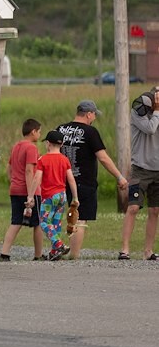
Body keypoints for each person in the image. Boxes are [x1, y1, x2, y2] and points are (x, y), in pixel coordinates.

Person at [56, 100, 129, 259]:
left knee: (66, 216)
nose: (94, 118)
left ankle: (57, 249)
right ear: (88, 114)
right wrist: (119, 176)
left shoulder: (61, 129)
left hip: (62, 180)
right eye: (94, 114)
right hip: (83, 182)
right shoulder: (90, 132)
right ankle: (74, 256)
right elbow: (103, 158)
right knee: (80, 219)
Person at [118, 87, 159, 260]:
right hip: (139, 169)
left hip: (157, 169)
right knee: (133, 207)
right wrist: (157, 110)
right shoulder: (138, 112)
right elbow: (150, 129)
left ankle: (148, 251)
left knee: (155, 210)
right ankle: (125, 249)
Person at [0, 118, 45, 261]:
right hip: (29, 190)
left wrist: (13, 182)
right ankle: (38, 254)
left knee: (16, 221)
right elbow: (29, 171)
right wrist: (31, 194)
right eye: (39, 132)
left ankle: (4, 253)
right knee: (38, 223)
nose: (40, 135)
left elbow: (9, 168)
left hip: (15, 189)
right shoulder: (31, 148)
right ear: (33, 132)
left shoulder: (16, 146)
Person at [34, 129, 78, 262]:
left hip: (49, 196)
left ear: (48, 143)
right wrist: (75, 197)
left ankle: (58, 245)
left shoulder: (43, 160)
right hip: (62, 196)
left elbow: (37, 179)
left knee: (44, 222)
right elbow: (71, 179)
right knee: (55, 223)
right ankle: (54, 252)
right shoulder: (65, 160)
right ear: (62, 144)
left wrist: (31, 195)